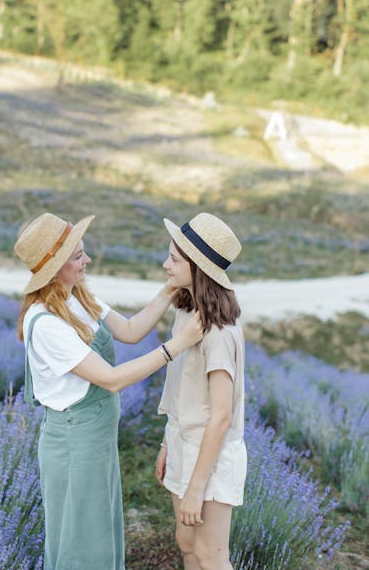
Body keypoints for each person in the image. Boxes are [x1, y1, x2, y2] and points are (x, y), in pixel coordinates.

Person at [14, 212, 203, 570]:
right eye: (77, 256)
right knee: (81, 543)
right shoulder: (45, 323)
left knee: (98, 532)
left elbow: (130, 330)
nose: (86, 260)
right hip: (73, 442)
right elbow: (112, 379)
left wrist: (168, 290)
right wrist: (177, 345)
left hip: (95, 439)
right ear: (54, 269)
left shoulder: (78, 297)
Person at [155, 212, 246, 570]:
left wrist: (196, 487)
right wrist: (167, 443)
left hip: (210, 456)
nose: (165, 264)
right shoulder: (187, 313)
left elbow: (221, 416)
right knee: (187, 543)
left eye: (175, 259)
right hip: (183, 443)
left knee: (211, 556)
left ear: (199, 269)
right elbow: (180, 390)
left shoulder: (219, 332)